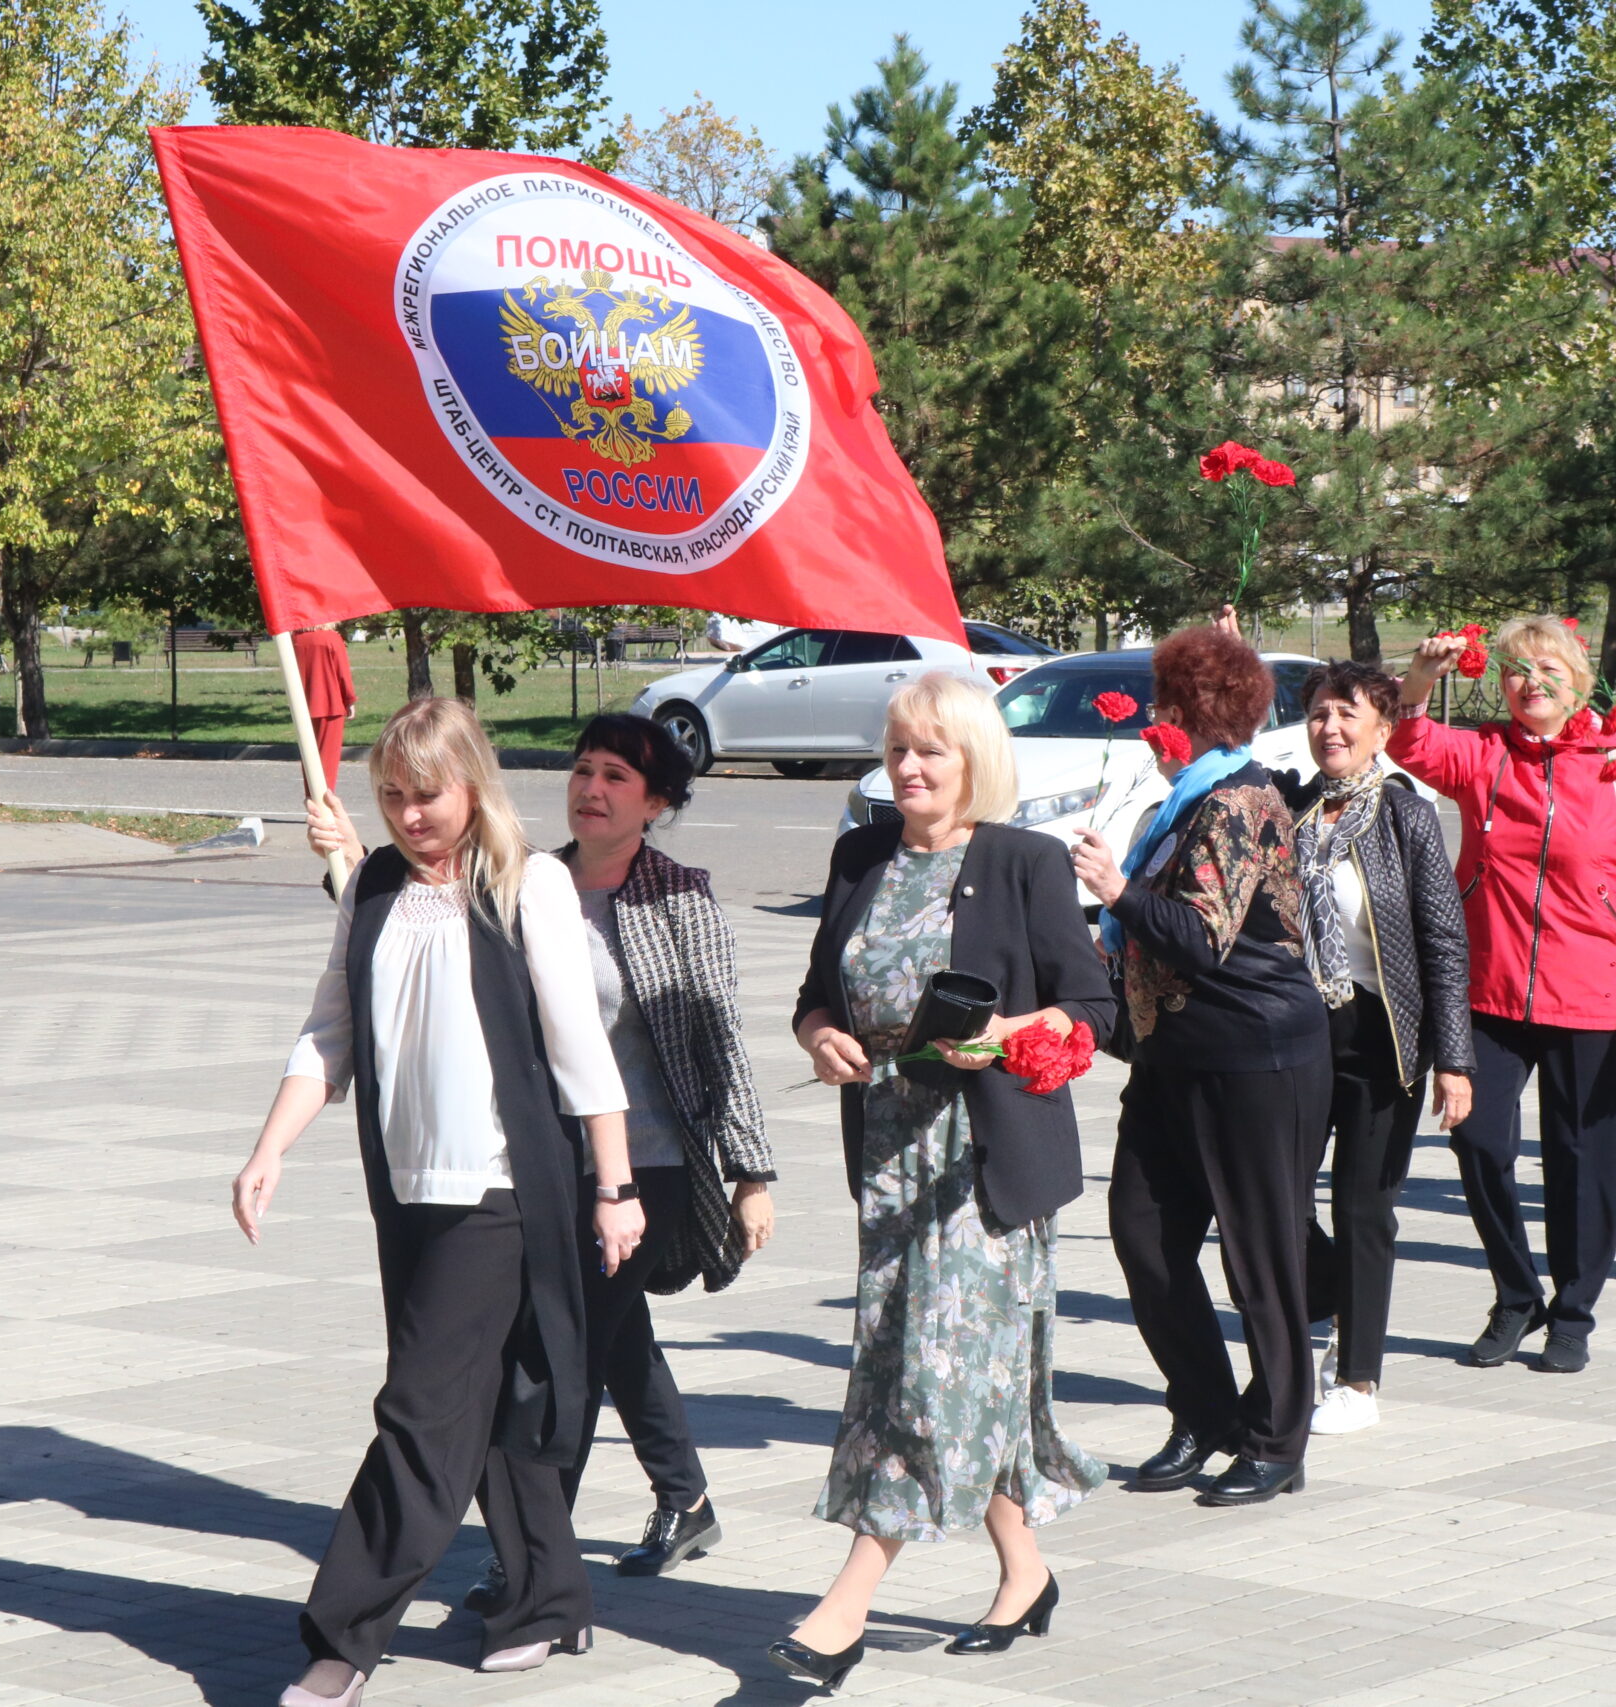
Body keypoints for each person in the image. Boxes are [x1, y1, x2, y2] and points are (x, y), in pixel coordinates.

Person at [307, 714, 779, 1589]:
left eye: (618, 778)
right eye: (583, 769)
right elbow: (406, 939)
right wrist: (343, 862)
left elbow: (724, 1041)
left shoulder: (679, 895)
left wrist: (752, 1172)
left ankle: (530, 1556)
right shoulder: (526, 877)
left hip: (646, 1165)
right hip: (542, 1166)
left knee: (557, 1354)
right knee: (603, 1333)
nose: (591, 789)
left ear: (658, 802)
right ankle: (682, 1495)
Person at [235, 696, 639, 1707]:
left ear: (472, 785)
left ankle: (343, 1634)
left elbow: (578, 1046)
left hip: (502, 1190)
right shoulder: (370, 885)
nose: (409, 815)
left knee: (419, 1412)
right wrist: (268, 1148)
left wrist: (616, 1186)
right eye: (392, 798)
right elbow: (327, 1031)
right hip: (405, 1189)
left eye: (427, 795)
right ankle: (548, 1599)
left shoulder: (525, 883)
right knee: (498, 1398)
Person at [778, 673, 1113, 1692]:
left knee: (926, 1374)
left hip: (984, 1162)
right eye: (897, 751)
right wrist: (823, 1037)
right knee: (951, 1368)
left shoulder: (1022, 860)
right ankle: (1025, 1574)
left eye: (932, 751)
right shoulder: (859, 857)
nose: (910, 768)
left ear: (974, 760)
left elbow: (1089, 1000)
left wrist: (1000, 1036)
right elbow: (812, 996)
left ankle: (846, 1605)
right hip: (888, 1156)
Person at [1393, 617, 1616, 1374]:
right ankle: (1516, 1292)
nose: (1530, 683)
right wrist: (1423, 679)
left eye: (1546, 669)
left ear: (1578, 681)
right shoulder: (1486, 755)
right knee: (1478, 1140)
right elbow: (1410, 746)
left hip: (1592, 990)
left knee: (1582, 1159)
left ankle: (1574, 1310)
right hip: (1490, 987)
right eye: (1515, 670)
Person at [1070, 623, 1331, 1504]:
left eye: (1166, 704)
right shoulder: (1185, 796)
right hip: (1174, 1055)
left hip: (1256, 1056)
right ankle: (1206, 1411)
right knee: (1143, 1234)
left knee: (1261, 1257)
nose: (1153, 716)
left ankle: (1278, 1438)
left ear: (1199, 715)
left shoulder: (1236, 800)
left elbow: (1203, 937)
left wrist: (1115, 892)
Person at [1288, 661, 1475, 1435]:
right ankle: (1325, 1297)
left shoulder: (1408, 816)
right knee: (1273, 1197)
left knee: (1364, 1206)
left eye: (1347, 714)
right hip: (1296, 1033)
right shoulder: (1292, 810)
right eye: (1319, 714)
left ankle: (1358, 1377)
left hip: (1381, 1035)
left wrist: (1455, 1058)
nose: (1330, 728)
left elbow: (1443, 938)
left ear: (1381, 728)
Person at [292, 626, 358, 790]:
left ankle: (311, 798)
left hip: (302, 704)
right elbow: (342, 672)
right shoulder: (332, 638)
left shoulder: (295, 639)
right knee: (327, 759)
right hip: (330, 703)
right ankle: (324, 803)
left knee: (308, 757)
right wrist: (349, 699)